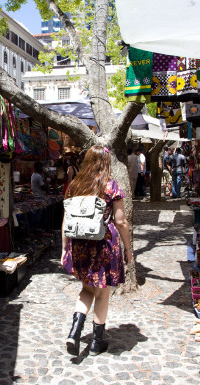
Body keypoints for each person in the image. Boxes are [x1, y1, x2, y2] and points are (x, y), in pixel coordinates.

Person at [61, 146, 133, 356]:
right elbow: (120, 221)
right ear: (107, 162)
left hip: (81, 244)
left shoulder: (76, 185)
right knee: (102, 294)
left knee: (86, 290)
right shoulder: (110, 186)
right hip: (104, 245)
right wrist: (128, 248)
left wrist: (64, 248)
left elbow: (66, 220)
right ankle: (95, 343)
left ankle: (74, 333)